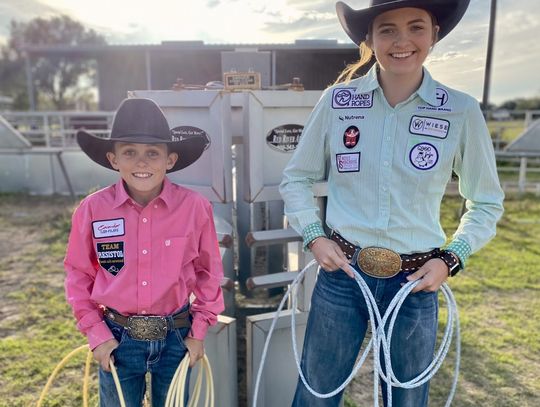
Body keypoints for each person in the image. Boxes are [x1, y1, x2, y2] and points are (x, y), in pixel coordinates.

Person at [279, 0, 504, 406]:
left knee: (407, 398)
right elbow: (297, 177)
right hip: (343, 275)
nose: (402, 41)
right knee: (317, 393)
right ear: (369, 39)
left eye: (416, 27)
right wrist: (314, 236)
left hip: (415, 280)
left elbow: (486, 202)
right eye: (387, 30)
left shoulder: (460, 110)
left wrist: (451, 258)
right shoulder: (337, 103)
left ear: (434, 34)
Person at [64, 98, 224, 406]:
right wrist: (96, 333)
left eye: (153, 153)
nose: (142, 163)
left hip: (176, 335)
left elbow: (209, 272)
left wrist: (198, 330)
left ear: (170, 159)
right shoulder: (93, 210)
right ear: (113, 159)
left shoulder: (195, 208)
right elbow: (78, 273)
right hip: (117, 336)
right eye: (130, 153)